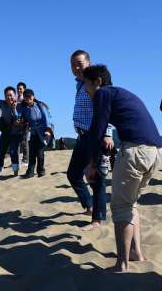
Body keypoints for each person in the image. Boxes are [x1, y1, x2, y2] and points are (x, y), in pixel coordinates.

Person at [84, 65, 162, 273]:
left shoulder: (103, 93)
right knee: (130, 204)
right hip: (155, 152)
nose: (86, 91)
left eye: (87, 85)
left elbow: (97, 129)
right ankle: (137, 253)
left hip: (135, 150)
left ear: (98, 81)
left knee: (120, 208)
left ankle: (122, 265)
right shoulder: (121, 93)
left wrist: (91, 163)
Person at [67, 50, 114, 231]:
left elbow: (106, 107)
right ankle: (89, 205)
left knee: (97, 179)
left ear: (88, 62)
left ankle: (97, 218)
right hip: (82, 137)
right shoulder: (80, 84)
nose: (76, 67)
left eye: (79, 63)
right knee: (73, 174)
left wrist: (108, 133)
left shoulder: (96, 81)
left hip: (96, 136)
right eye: (73, 65)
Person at [17, 89, 54, 178]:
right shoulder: (24, 108)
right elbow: (21, 116)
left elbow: (47, 118)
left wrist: (48, 130)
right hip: (33, 132)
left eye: (29, 96)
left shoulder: (40, 105)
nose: (28, 98)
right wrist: (22, 121)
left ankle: (41, 170)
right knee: (32, 153)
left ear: (33, 96)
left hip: (43, 132)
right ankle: (30, 172)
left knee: (40, 152)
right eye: (26, 97)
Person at [17, 82, 29, 166]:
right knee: (16, 142)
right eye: (18, 88)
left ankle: (26, 160)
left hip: (24, 122)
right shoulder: (15, 98)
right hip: (16, 123)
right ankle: (15, 160)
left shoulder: (26, 99)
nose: (19, 90)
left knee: (24, 142)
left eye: (20, 89)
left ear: (24, 89)